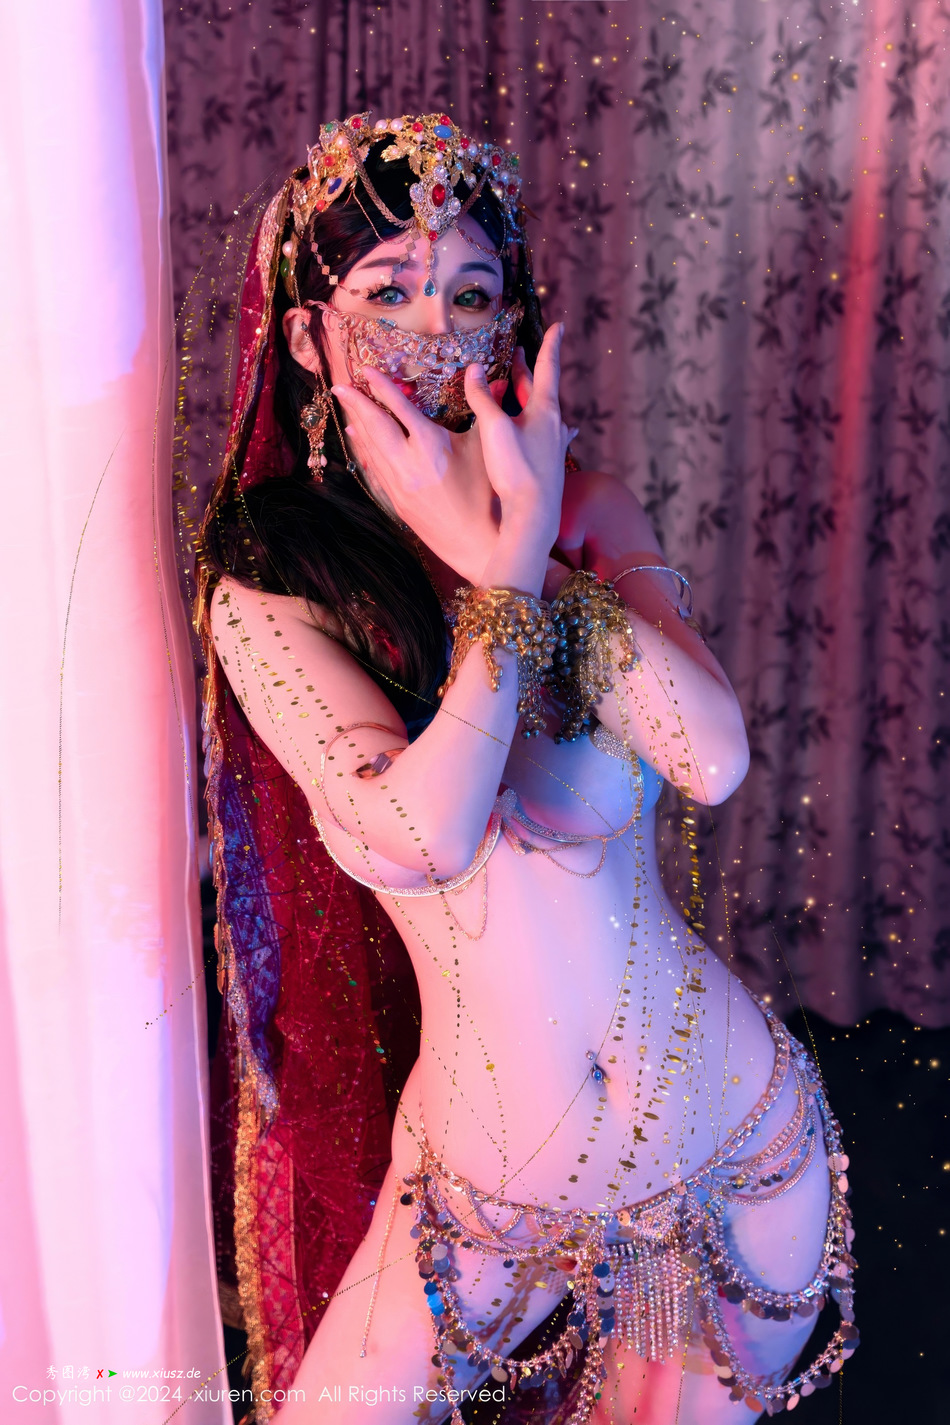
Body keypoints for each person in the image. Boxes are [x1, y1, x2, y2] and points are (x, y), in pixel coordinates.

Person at [196, 113, 858, 1425]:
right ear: (307, 336)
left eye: (470, 293)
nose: (434, 330)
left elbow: (710, 756)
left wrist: (530, 542)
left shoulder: (587, 515)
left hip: (734, 1145)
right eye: (386, 291)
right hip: (483, 1194)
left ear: (509, 321)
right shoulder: (270, 582)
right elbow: (425, 833)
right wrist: (494, 570)